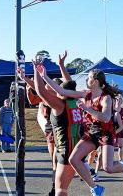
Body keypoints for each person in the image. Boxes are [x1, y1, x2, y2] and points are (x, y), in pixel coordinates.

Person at [37, 67, 123, 196]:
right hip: (92, 132)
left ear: (95, 81)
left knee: (108, 168)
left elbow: (105, 118)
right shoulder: (86, 94)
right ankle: (95, 188)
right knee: (73, 159)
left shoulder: (106, 98)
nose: (87, 80)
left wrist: (86, 109)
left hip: (106, 133)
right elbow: (61, 90)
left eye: (88, 78)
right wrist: (44, 76)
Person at [34, 52, 83, 196]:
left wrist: (37, 71)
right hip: (76, 147)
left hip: (66, 148)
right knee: (60, 186)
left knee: (60, 190)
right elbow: (70, 84)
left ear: (63, 91)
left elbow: (41, 91)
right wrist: (61, 65)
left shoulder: (60, 105)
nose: (57, 88)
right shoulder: (76, 100)